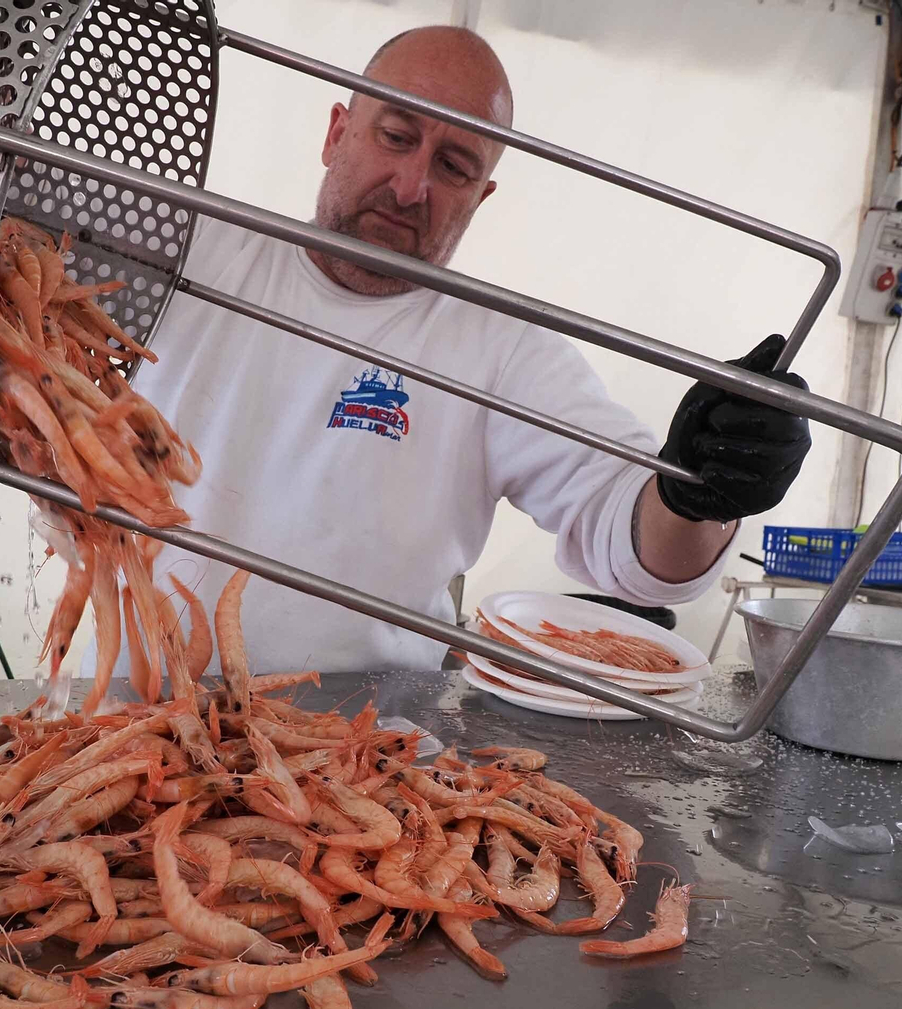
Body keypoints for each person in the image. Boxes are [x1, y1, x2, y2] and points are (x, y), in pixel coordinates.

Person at [119, 25, 810, 674]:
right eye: (395, 136)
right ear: (337, 133)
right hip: (123, 726)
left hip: (365, 754)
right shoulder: (186, 253)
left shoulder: (499, 349)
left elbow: (637, 547)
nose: (411, 186)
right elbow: (24, 260)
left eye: (453, 167)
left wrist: (703, 493)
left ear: (482, 195)